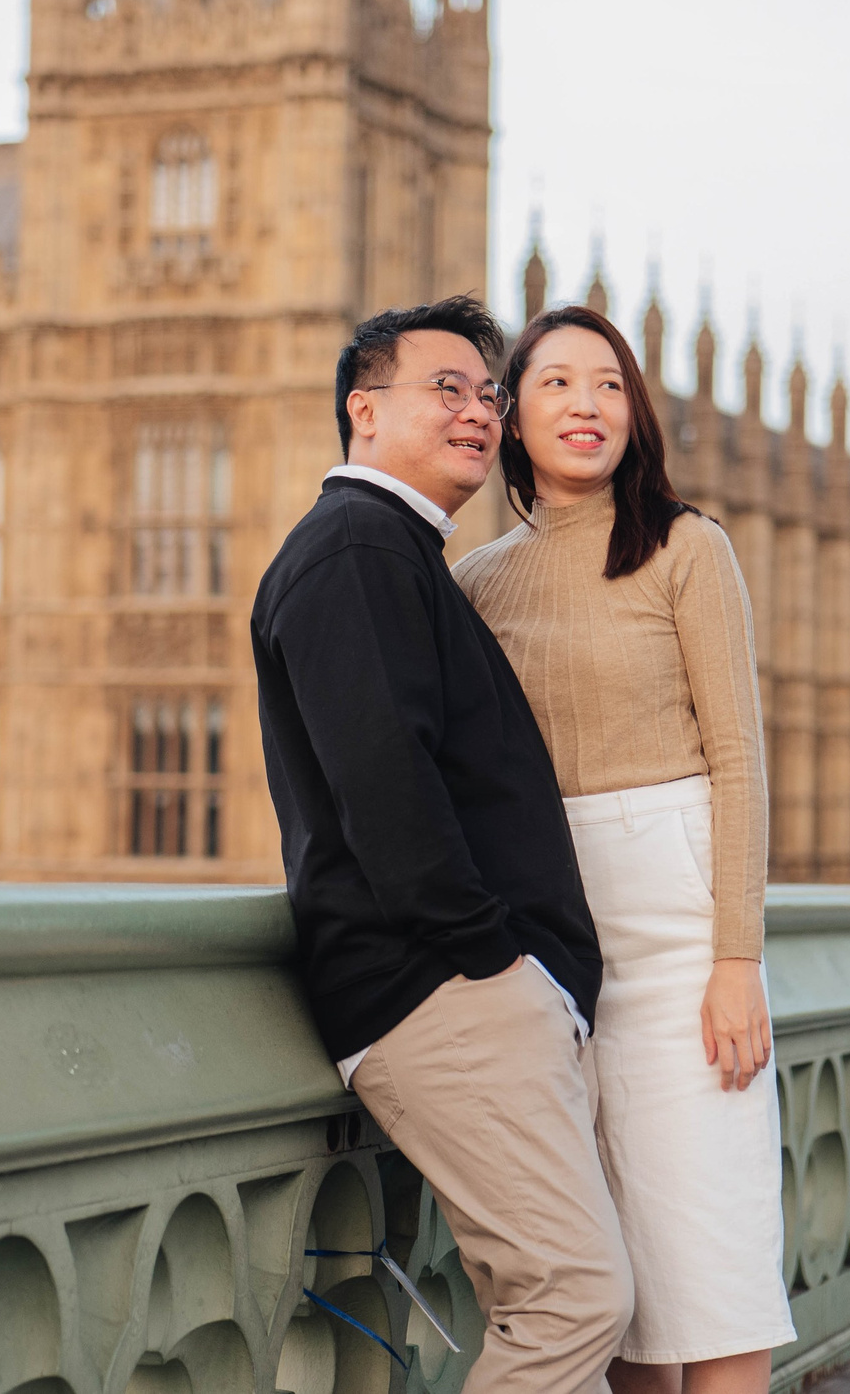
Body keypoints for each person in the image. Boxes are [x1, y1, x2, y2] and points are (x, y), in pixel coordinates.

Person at [252, 296, 631, 1394]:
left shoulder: (397, 551)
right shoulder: (355, 551)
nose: (479, 412)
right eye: (446, 389)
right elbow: (386, 786)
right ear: (363, 412)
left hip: (478, 993)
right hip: (445, 994)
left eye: (488, 393)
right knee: (573, 1301)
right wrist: (490, 960)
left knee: (561, 1303)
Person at [452, 305, 795, 1394]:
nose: (586, 405)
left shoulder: (686, 550)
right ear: (514, 420)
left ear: (633, 414)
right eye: (555, 384)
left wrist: (735, 959)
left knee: (717, 1266)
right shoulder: (477, 583)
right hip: (553, 942)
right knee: (622, 1286)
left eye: (607, 385)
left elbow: (738, 760)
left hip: (680, 934)